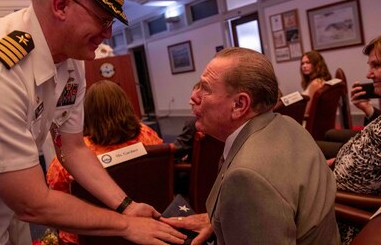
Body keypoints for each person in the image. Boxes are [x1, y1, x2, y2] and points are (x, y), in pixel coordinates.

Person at [0, 0, 186, 244]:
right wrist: (125, 225)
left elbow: (72, 148)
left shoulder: (71, 59)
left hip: (11, 198)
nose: (108, 33)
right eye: (103, 19)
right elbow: (33, 203)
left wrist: (127, 206)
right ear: (61, 5)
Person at [161, 47, 340, 245]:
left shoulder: (246, 177)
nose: (193, 97)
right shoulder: (287, 124)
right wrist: (223, 220)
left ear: (239, 105)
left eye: (205, 88)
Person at [47, 80, 163, 244]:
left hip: (90, 237)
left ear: (87, 112)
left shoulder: (68, 160)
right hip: (148, 225)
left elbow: (56, 199)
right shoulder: (148, 136)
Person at [333, 35, 381, 244]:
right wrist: (368, 109)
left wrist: (314, 188)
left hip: (343, 216)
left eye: (377, 66)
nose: (369, 74)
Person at [300, 50, 332, 117]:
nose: (304, 66)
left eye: (308, 62)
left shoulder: (316, 83)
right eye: (302, 63)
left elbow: (307, 111)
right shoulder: (320, 80)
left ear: (317, 64)